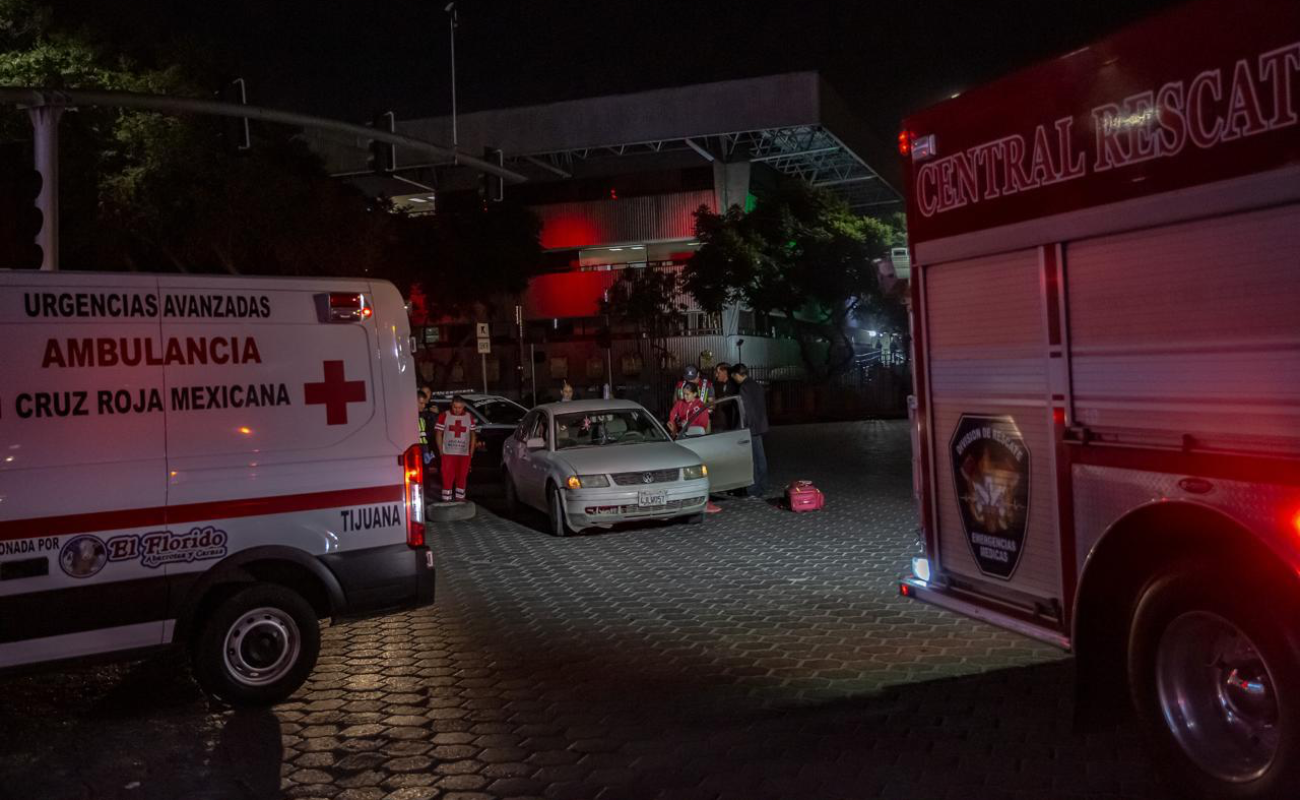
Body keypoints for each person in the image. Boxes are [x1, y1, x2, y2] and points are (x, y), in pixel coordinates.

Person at [731, 363, 769, 499]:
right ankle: (763, 486)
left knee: (752, 460)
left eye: (733, 376)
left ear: (737, 375)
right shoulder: (756, 385)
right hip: (760, 426)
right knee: (760, 458)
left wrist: (741, 428)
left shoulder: (744, 387)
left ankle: (753, 490)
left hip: (750, 428)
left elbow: (745, 410)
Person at [434, 395, 477, 502]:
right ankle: (446, 500)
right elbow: (438, 434)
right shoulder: (444, 415)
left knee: (462, 477)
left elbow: (473, 435)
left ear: (464, 407)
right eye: (455, 407)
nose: (457, 410)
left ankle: (460, 499)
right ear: (451, 405)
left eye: (460, 407)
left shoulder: (469, 416)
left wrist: (471, 452)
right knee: (447, 477)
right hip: (448, 453)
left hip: (464, 453)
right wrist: (441, 451)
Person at [711, 362, 736, 431]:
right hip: (717, 422)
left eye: (718, 372)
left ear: (725, 372)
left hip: (728, 424)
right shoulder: (715, 385)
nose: (716, 375)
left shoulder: (734, 386)